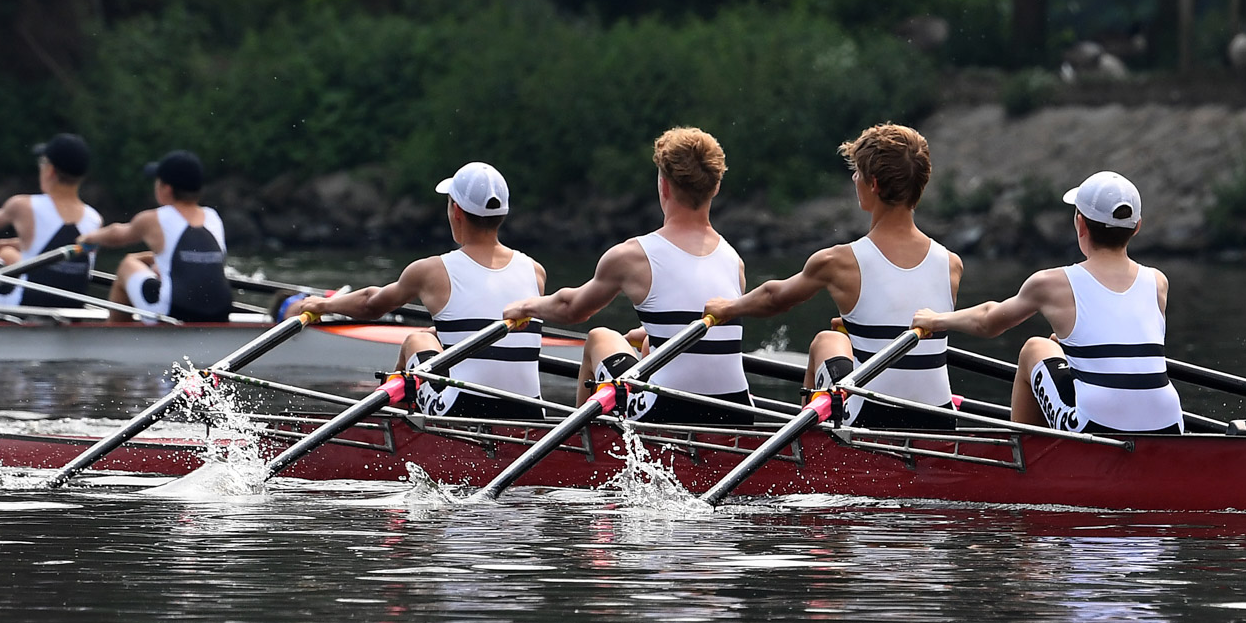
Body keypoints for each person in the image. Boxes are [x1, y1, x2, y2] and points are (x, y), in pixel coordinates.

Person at [705, 123, 962, 429]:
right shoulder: (951, 264)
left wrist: (727, 308)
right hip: (942, 423)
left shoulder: (838, 261)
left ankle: (812, 457)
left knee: (826, 341)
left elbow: (776, 299)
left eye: (857, 173)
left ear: (874, 184)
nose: (854, 179)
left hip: (872, 422)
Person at [502, 126, 755, 426]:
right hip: (739, 414)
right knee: (649, 345)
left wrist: (527, 307)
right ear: (715, 188)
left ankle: (582, 450)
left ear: (664, 186)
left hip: (667, 413)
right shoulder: (733, 260)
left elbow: (572, 309)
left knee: (600, 337)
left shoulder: (632, 256)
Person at [913, 170, 1184, 434]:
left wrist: (936, 320)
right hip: (1170, 426)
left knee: (1035, 348)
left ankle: (1024, 464)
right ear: (1137, 227)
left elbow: (989, 322)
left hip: (1096, 428)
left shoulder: (1052, 283)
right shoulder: (1158, 282)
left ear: (1080, 223)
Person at [290, 161, 549, 420]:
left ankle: (389, 429)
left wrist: (323, 305)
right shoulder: (535, 271)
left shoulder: (432, 270)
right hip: (531, 413)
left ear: (456, 210)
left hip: (463, 411)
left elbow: (371, 304)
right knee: (432, 337)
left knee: (417, 341)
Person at [0, 134, 103, 309]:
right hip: (73, 307)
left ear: (50, 171)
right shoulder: (94, 218)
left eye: (42, 162)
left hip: (27, 302)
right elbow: (48, 246)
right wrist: (1, 244)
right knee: (6, 253)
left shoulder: (25, 206)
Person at [78, 150, 233, 323]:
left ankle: (113, 339)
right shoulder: (213, 217)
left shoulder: (155, 219)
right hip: (221, 312)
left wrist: (89, 239)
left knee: (127, 265)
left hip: (175, 313)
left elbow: (117, 234)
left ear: (166, 189)